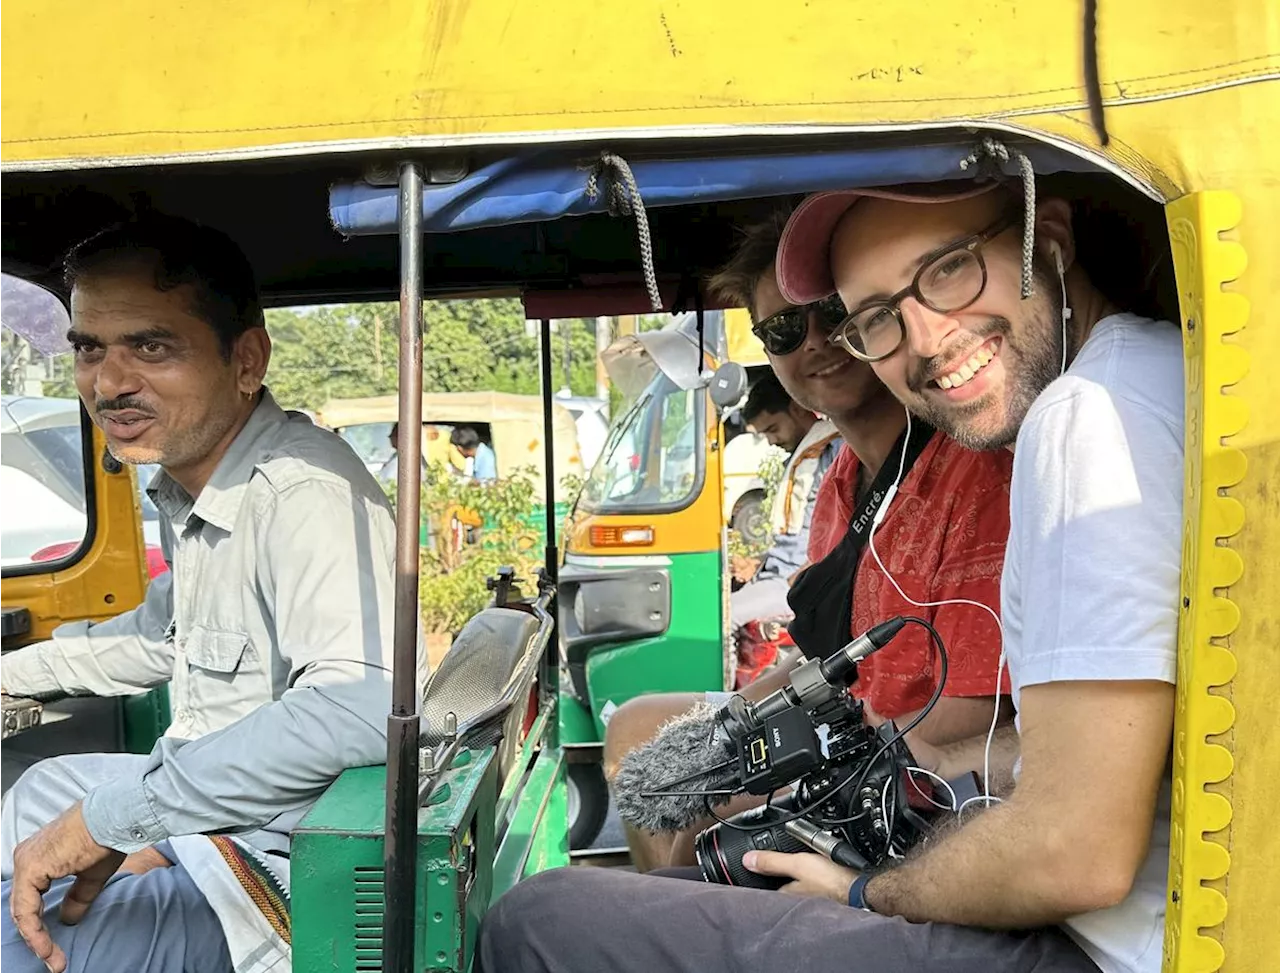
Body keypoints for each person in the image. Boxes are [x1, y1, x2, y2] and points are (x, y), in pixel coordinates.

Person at [475, 172, 1183, 973]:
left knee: (540, 918)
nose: (925, 337)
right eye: (879, 316)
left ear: (1045, 240)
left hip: (1098, 947)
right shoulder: (1132, 378)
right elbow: (1030, 750)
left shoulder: (1077, 421)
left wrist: (861, 890)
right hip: (1070, 900)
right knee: (686, 803)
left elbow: (1070, 845)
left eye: (948, 268)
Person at [0, 214, 404, 973]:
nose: (109, 383)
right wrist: (9, 674)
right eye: (90, 349)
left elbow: (359, 703)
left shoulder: (300, 491)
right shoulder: (203, 490)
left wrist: (122, 821)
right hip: (219, 821)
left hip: (275, 874)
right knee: (43, 787)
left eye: (151, 346)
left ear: (245, 359)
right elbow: (163, 637)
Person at [601, 210, 1014, 872]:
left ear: (873, 318)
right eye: (785, 329)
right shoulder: (841, 482)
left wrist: (779, 761)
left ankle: (687, 914)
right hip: (846, 719)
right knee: (640, 737)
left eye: (832, 312)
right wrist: (731, 727)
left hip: (914, 780)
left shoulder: (974, 475)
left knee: (702, 823)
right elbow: (826, 659)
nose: (815, 341)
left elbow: (972, 714)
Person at [730, 372, 840, 638]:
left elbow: (848, 520)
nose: (771, 441)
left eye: (773, 429)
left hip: (793, 582)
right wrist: (755, 562)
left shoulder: (834, 452)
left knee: (722, 622)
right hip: (775, 575)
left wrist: (809, 573)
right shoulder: (799, 460)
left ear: (796, 408)